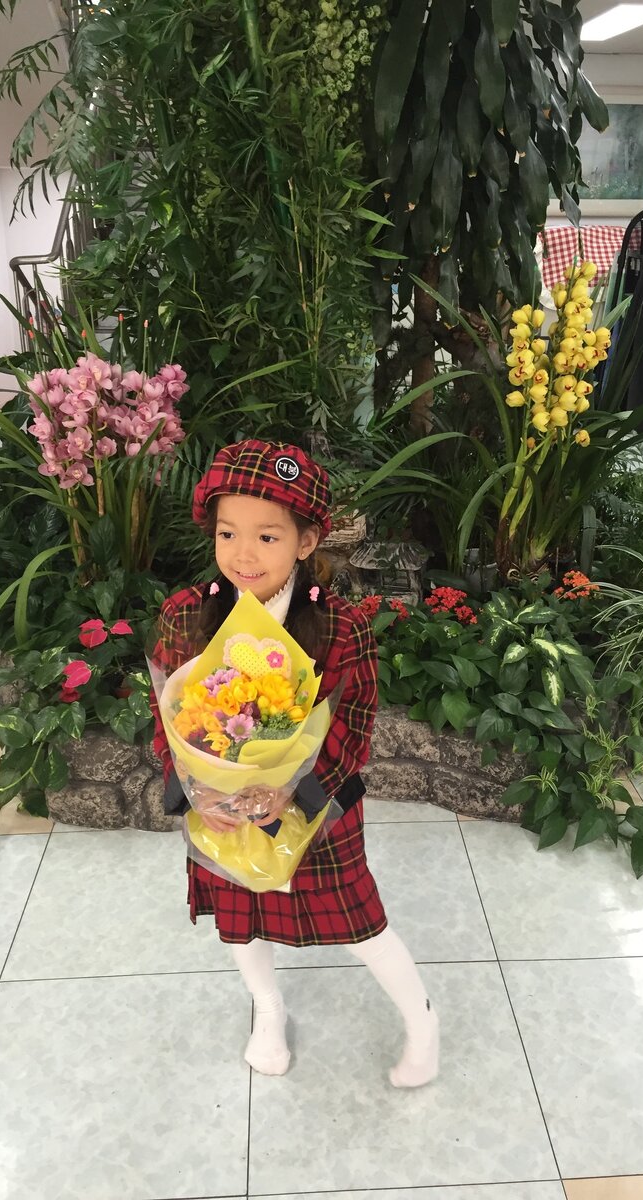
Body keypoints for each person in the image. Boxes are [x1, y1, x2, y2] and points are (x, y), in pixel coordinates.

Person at [149, 438, 439, 1088]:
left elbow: (354, 726)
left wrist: (294, 793)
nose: (243, 554)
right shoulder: (186, 615)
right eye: (227, 533)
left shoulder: (341, 628)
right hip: (221, 808)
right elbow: (164, 715)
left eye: (267, 537)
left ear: (307, 542)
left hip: (316, 809)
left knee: (358, 921)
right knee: (239, 918)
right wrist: (197, 790)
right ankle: (268, 1008)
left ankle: (422, 1020)